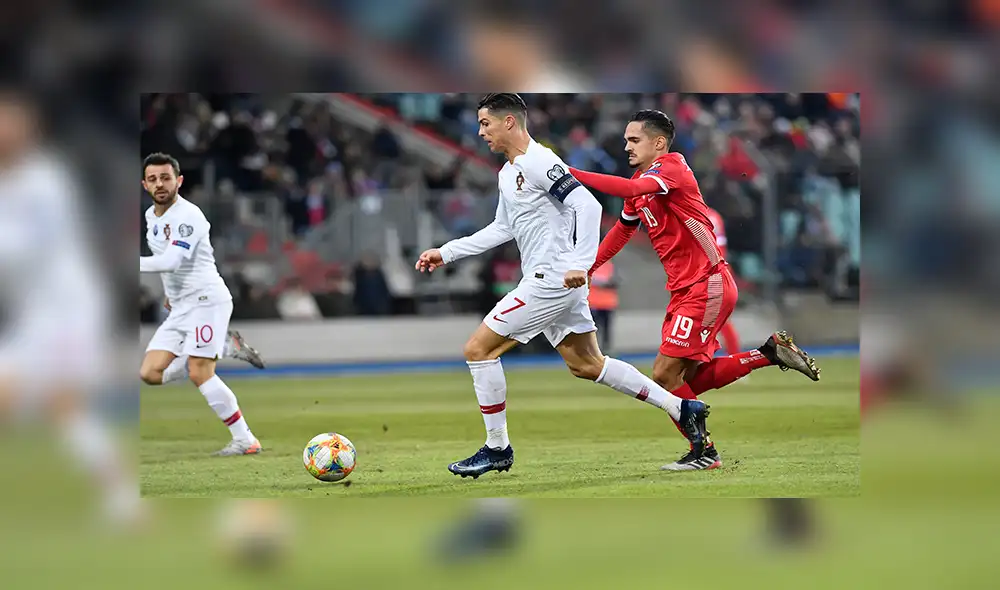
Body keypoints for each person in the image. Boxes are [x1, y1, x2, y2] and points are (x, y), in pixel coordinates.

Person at [415, 94, 710, 479]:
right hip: (550, 280)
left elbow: (587, 206)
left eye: (485, 123)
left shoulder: (541, 162)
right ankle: (680, 407)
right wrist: (447, 252)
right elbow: (502, 228)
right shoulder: (508, 173)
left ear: (509, 122)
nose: (480, 131)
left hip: (551, 279)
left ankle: (497, 448)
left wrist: (579, 265)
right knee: (587, 365)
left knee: (478, 350)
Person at [570, 110, 821, 471]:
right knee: (685, 380)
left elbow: (631, 189)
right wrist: (590, 266)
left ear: (658, 143)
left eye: (633, 140)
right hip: (686, 290)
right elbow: (623, 230)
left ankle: (705, 451)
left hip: (707, 283)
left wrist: (571, 174)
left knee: (662, 376)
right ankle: (768, 353)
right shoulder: (642, 181)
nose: (626, 146)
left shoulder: (672, 168)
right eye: (626, 140)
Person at [139, 152, 267, 456]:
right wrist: (171, 293)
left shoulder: (189, 216)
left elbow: (172, 259)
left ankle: (245, 440)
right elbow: (167, 263)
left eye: (166, 178)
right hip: (182, 305)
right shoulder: (150, 217)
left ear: (179, 181)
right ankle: (225, 346)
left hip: (207, 299)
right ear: (145, 184)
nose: (160, 184)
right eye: (153, 179)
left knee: (199, 372)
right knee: (149, 374)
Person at [705, 206, 741, 357]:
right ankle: (733, 358)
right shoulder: (713, 214)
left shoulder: (701, 215)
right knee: (715, 321)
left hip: (709, 272)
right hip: (718, 269)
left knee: (713, 320)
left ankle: (733, 358)